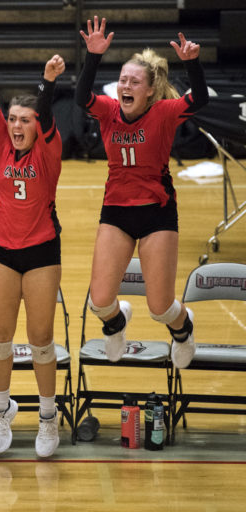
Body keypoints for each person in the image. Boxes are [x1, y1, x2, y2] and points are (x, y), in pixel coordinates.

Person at [76, 17, 208, 369]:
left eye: (134, 81)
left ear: (150, 89)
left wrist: (192, 62)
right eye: (122, 80)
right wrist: (93, 56)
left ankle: (184, 329)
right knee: (100, 301)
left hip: (157, 212)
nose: (126, 86)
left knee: (161, 307)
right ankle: (116, 323)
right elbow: (81, 96)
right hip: (116, 210)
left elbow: (199, 99)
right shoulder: (109, 111)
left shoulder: (164, 113)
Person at [0, 30, 65, 458]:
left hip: (42, 249)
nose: (19, 125)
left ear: (37, 125)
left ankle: (48, 417)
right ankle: (2, 407)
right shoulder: (2, 144)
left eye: (27, 119)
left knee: (41, 337)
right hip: (3, 249)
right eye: (14, 120)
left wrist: (48, 83)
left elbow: (45, 113)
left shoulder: (48, 148)